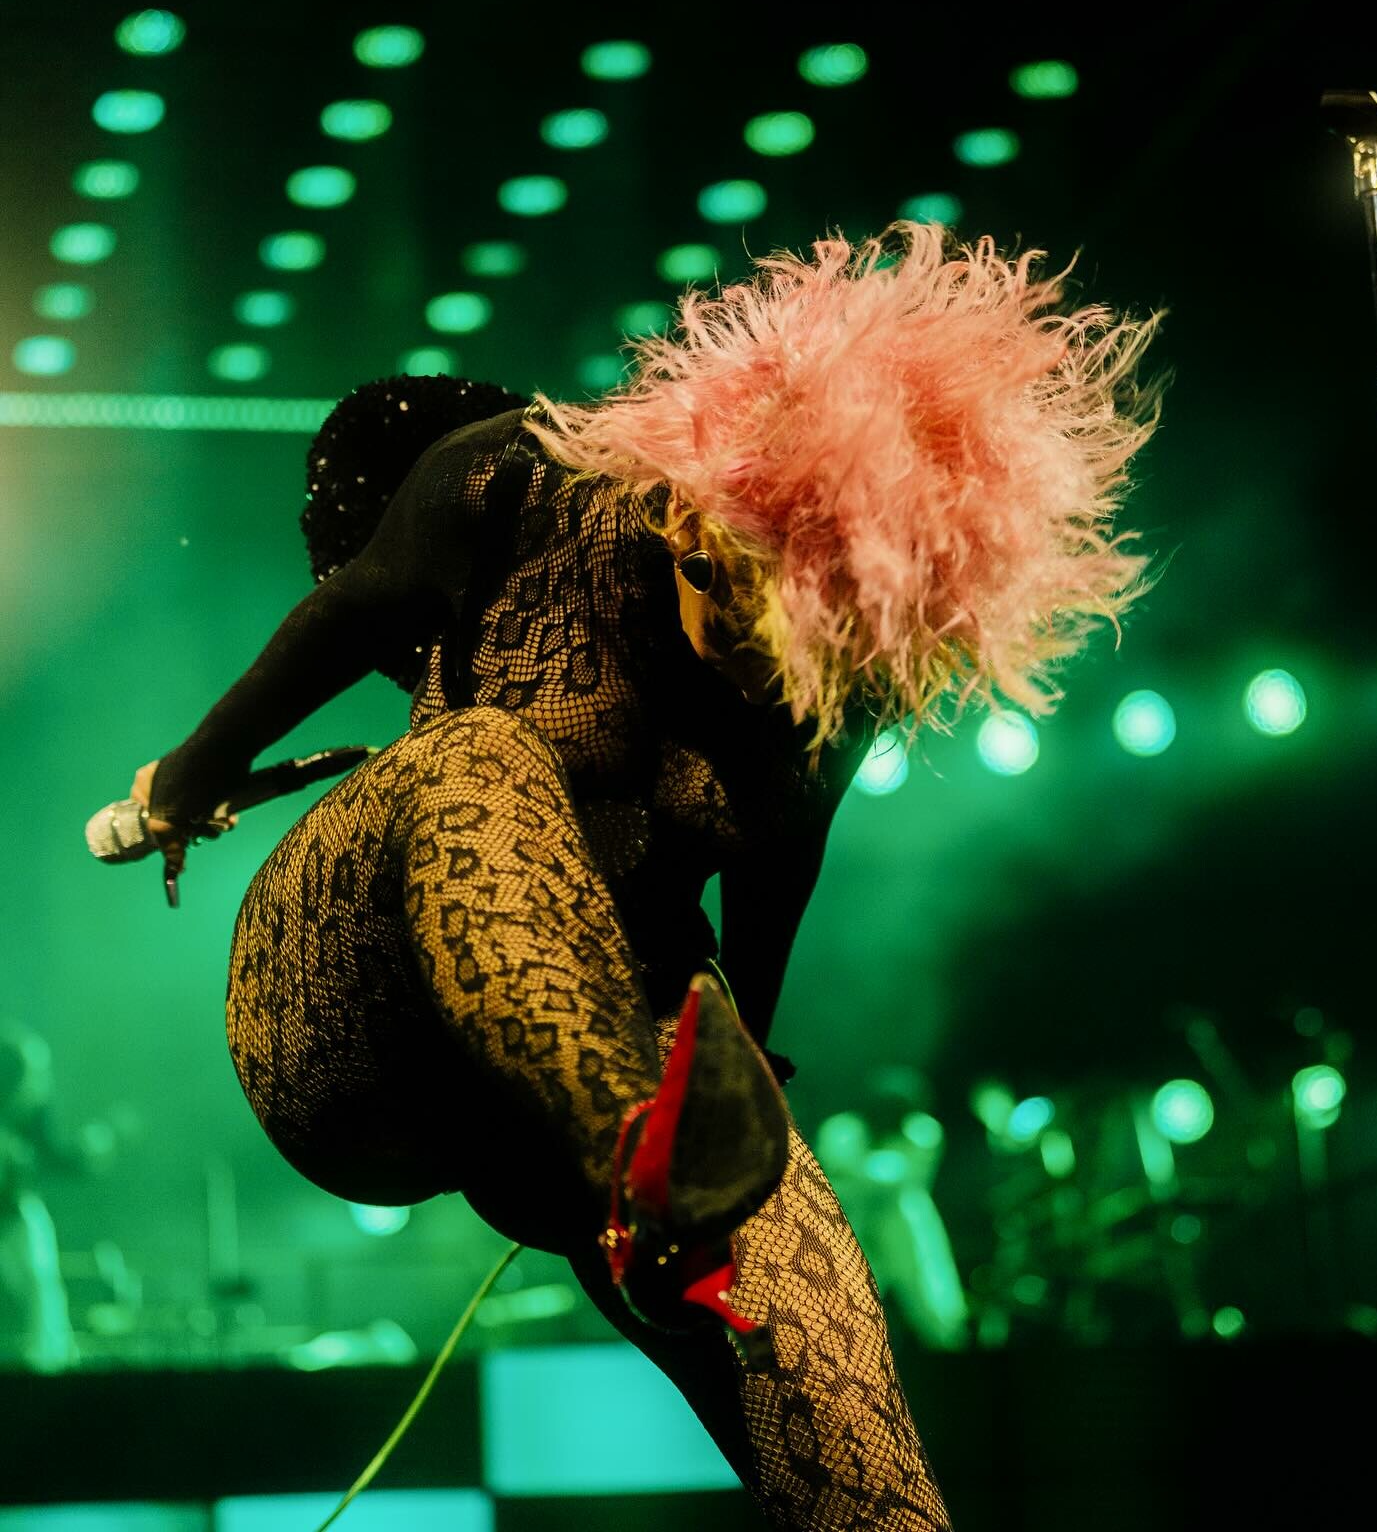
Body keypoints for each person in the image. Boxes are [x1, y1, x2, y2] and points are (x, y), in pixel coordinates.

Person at [110, 222, 1160, 1528]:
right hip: (357, 1023)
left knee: (830, 1357)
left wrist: (745, 1090)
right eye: (756, 603)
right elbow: (337, 623)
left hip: (606, 1039)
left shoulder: (843, 671)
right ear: (685, 507)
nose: (772, 666)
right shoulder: (520, 481)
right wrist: (185, 782)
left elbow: (774, 880)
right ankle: (633, 1149)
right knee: (478, 758)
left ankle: (672, 1194)